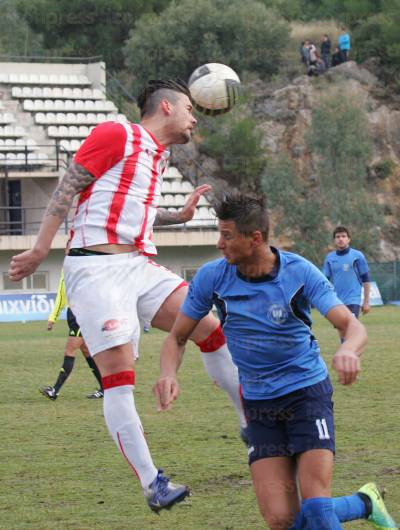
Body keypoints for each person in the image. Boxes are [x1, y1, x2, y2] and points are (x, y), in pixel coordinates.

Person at [8, 79, 247, 512]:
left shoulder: (159, 155)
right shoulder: (115, 133)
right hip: (96, 270)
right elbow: (66, 190)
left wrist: (179, 215)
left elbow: (134, 208)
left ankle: (253, 428)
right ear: (167, 106)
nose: (195, 118)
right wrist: (41, 247)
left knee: (208, 328)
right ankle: (152, 482)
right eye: (190, 108)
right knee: (119, 377)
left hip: (136, 265)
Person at [154, 192, 397, 529]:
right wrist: (169, 373)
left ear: (254, 238)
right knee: (282, 519)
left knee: (316, 510)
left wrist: (347, 349)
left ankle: (357, 504)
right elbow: (177, 337)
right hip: (258, 403)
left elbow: (351, 326)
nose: (219, 244)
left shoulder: (298, 272)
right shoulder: (212, 277)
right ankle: (365, 502)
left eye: (227, 235)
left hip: (306, 395)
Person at [40, 268, 104, 400]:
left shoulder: (84, 266)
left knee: (70, 350)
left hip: (82, 314)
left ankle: (55, 390)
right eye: (67, 246)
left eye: (70, 246)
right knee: (86, 350)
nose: (68, 249)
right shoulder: (66, 268)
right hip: (73, 313)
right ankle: (105, 388)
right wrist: (53, 317)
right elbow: (62, 294)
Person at [323, 226, 371, 324]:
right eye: (337, 237)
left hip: (353, 300)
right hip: (336, 301)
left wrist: (366, 302)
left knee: (350, 327)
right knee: (342, 331)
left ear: (349, 239)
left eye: (343, 236)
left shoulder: (357, 256)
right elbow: (324, 281)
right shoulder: (329, 258)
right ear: (334, 240)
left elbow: (366, 279)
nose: (340, 239)